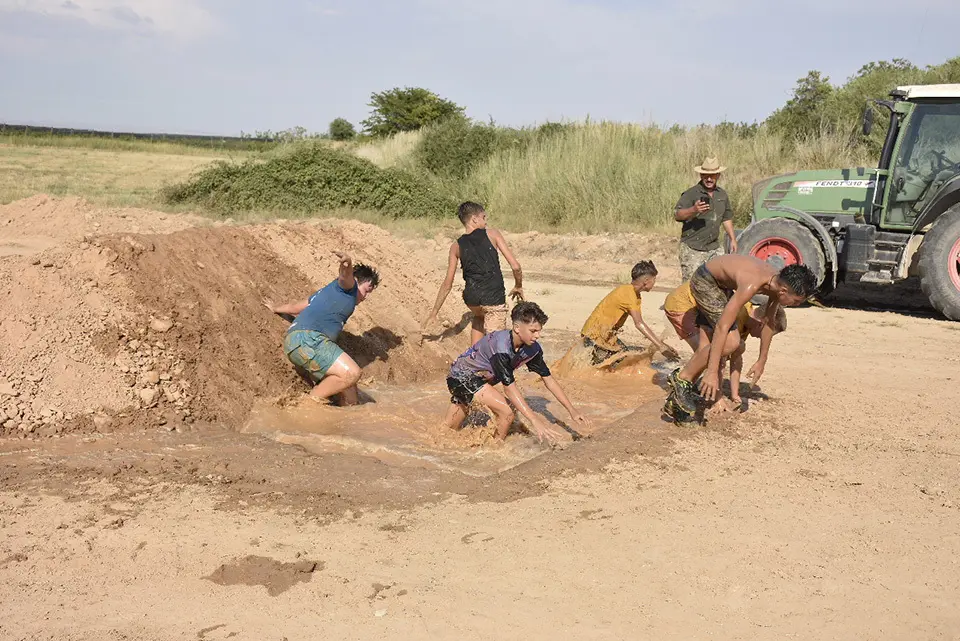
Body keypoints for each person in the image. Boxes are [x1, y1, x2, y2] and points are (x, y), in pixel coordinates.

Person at [665, 255, 816, 421]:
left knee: (706, 346)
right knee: (731, 342)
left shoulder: (776, 283)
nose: (795, 305)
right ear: (784, 291)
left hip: (723, 286)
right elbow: (723, 327)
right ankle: (682, 378)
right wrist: (712, 372)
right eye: (796, 301)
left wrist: (761, 360)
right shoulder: (753, 283)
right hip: (705, 280)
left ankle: (675, 405)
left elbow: (768, 323)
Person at [443, 301, 589, 445]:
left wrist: (572, 410)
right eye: (533, 331)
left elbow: (548, 380)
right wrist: (535, 420)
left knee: (448, 432)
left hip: (479, 380)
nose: (538, 335)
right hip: (460, 377)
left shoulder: (532, 349)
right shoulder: (500, 348)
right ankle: (494, 451)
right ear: (517, 328)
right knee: (507, 413)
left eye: (539, 330)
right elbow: (509, 389)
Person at [264, 251, 380, 405]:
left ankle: (346, 417)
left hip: (297, 343)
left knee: (351, 392)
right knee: (352, 373)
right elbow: (345, 277)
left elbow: (295, 307)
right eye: (366, 290)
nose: (365, 297)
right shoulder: (348, 288)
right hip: (309, 340)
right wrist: (347, 264)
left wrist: (275, 308)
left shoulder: (325, 293)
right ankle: (307, 405)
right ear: (356, 280)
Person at [663, 280, 787, 406]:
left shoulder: (746, 324)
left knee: (710, 354)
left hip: (699, 304)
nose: (762, 339)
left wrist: (734, 394)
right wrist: (718, 399)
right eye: (765, 335)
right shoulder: (739, 315)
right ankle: (681, 388)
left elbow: (736, 358)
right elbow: (718, 358)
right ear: (761, 323)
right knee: (706, 354)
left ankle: (686, 387)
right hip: (682, 303)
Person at [422, 201, 523, 345]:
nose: (485, 221)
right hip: (493, 298)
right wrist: (518, 285)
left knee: (480, 318)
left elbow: (447, 283)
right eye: (483, 217)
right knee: (497, 349)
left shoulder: (456, 246)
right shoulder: (493, 234)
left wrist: (434, 313)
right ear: (474, 219)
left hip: (472, 300)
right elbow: (516, 267)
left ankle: (474, 359)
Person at [580, 261, 679, 366]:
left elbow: (642, 325)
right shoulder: (628, 293)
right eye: (654, 279)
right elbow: (639, 324)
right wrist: (661, 347)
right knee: (622, 364)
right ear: (646, 280)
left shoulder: (634, 295)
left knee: (629, 358)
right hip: (594, 337)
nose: (655, 283)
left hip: (605, 337)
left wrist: (661, 344)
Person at [674, 156, 739, 282]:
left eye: (712, 175)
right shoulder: (691, 193)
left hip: (714, 248)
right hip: (693, 248)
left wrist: (733, 239)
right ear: (701, 175)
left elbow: (726, 218)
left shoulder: (722, 195)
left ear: (718, 175)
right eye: (705, 175)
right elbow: (677, 215)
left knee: (721, 282)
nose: (709, 179)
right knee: (691, 285)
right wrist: (693, 210)